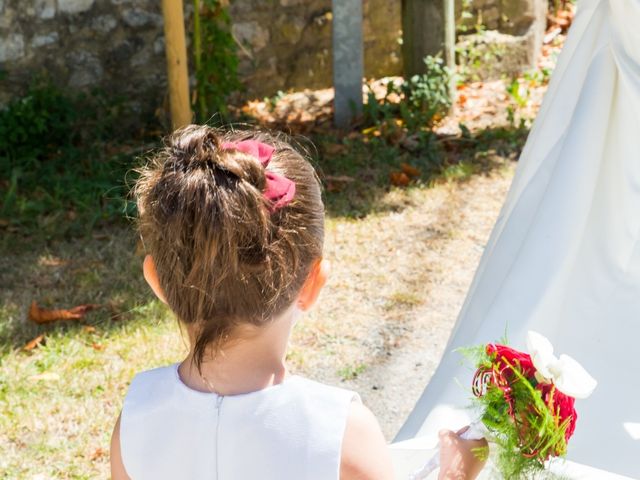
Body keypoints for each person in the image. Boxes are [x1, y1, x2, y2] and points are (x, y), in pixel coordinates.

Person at [109, 125, 487, 480]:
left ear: (156, 281)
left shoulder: (136, 417)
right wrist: (456, 473)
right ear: (312, 283)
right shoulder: (340, 433)